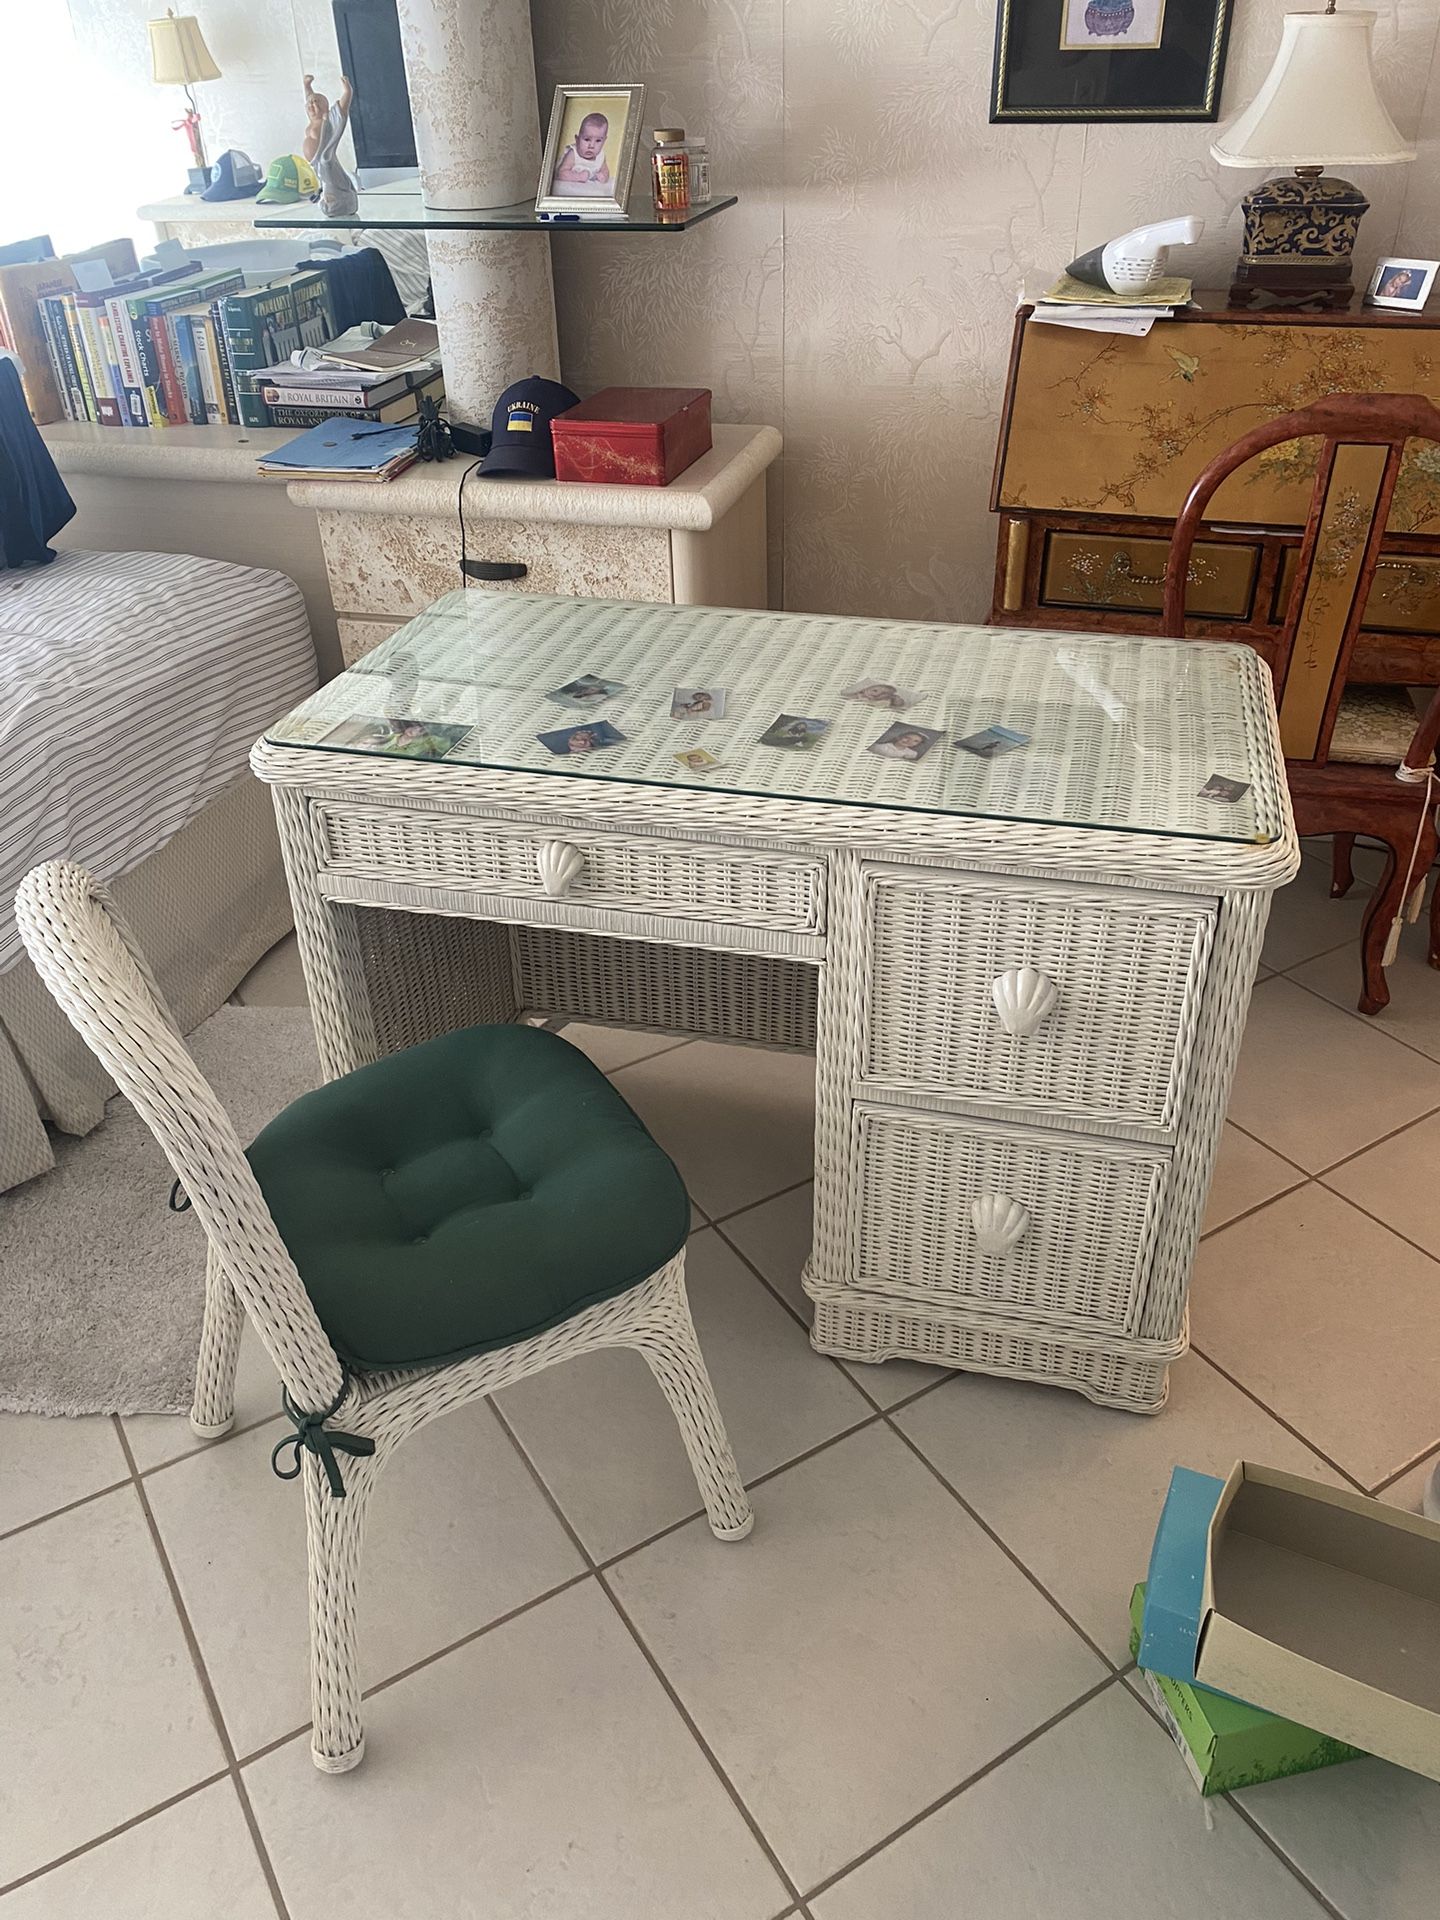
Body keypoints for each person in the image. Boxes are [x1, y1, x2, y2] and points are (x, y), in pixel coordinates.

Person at [554, 113, 611, 192]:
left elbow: (605, 171)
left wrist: (604, 176)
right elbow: (561, 174)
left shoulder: (600, 156)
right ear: (577, 139)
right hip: (569, 189)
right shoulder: (573, 154)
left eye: (598, 141)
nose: (591, 145)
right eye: (587, 139)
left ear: (604, 141)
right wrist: (578, 177)